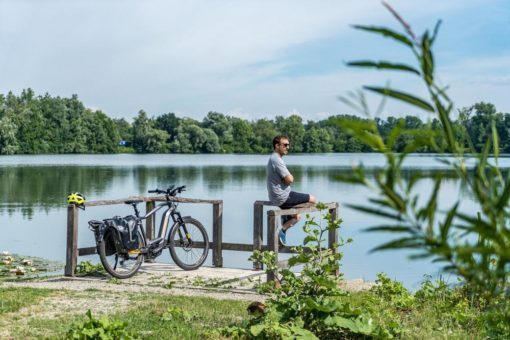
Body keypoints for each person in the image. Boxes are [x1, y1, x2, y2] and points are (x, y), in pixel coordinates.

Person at [266, 135, 316, 246]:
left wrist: (286, 180)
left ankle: (287, 217)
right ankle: (282, 229)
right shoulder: (277, 160)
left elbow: (286, 180)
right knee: (313, 199)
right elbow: (290, 179)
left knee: (296, 217)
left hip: (276, 196)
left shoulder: (273, 158)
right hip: (283, 197)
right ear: (276, 145)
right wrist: (288, 179)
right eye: (284, 145)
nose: (287, 147)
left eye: (288, 145)